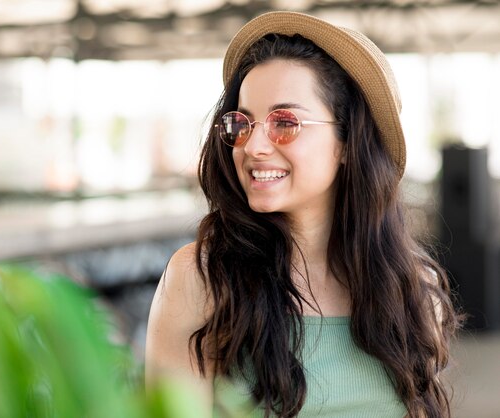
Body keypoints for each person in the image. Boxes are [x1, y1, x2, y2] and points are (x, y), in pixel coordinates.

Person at [145, 11, 460, 418]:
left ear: (347, 143)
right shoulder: (202, 279)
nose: (253, 145)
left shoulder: (411, 289)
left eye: (284, 122)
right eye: (243, 123)